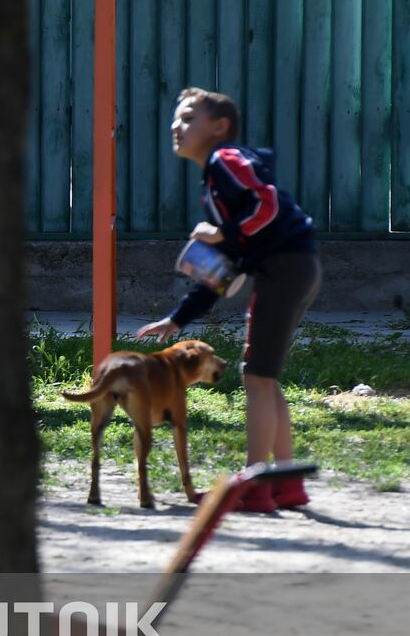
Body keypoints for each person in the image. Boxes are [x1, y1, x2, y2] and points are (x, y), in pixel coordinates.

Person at [136, 87, 321, 512]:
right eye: (175, 119)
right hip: (293, 266)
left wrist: (224, 233)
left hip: (286, 266)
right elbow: (225, 266)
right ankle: (286, 484)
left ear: (219, 127)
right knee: (264, 375)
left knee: (256, 377)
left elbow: (267, 201)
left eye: (186, 118)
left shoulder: (226, 161)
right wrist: (178, 319)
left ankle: (256, 483)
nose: (175, 127)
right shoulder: (214, 185)